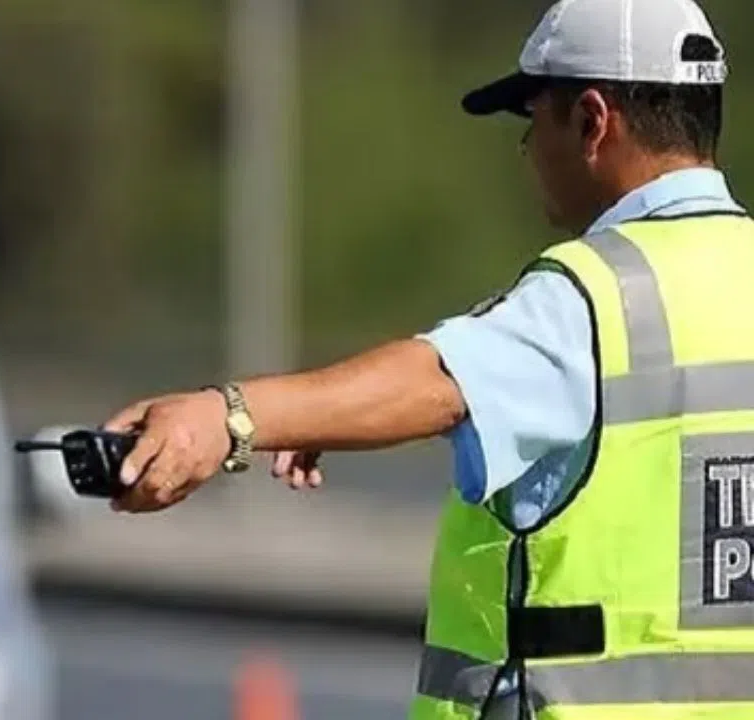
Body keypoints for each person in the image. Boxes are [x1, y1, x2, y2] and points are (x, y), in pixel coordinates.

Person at [101, 0, 754, 717]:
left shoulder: (596, 298)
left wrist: (226, 418)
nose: (529, 150)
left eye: (532, 121)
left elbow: (438, 379)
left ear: (593, 121)